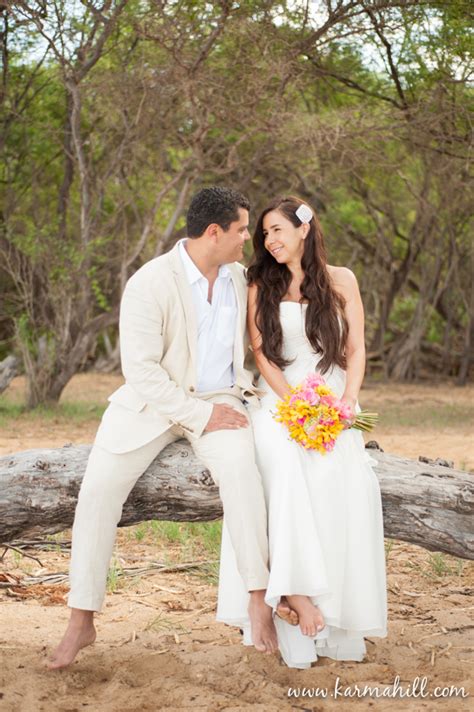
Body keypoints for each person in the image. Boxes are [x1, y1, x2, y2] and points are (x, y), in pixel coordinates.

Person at [47, 187, 279, 669]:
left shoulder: (240, 278)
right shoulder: (150, 282)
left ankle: (259, 596)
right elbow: (143, 372)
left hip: (221, 399)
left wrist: (233, 397)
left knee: (241, 472)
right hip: (150, 406)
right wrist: (197, 415)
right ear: (214, 232)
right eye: (240, 231)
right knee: (97, 494)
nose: (246, 241)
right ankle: (81, 620)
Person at [216, 196, 387, 669]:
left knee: (346, 479)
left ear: (304, 229)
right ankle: (294, 593)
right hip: (281, 398)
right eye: (264, 234)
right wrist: (293, 403)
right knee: (285, 466)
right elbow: (260, 349)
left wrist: (347, 402)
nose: (270, 241)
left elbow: (355, 348)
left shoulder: (342, 280)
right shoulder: (259, 282)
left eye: (277, 231)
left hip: (332, 400)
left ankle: (334, 611)